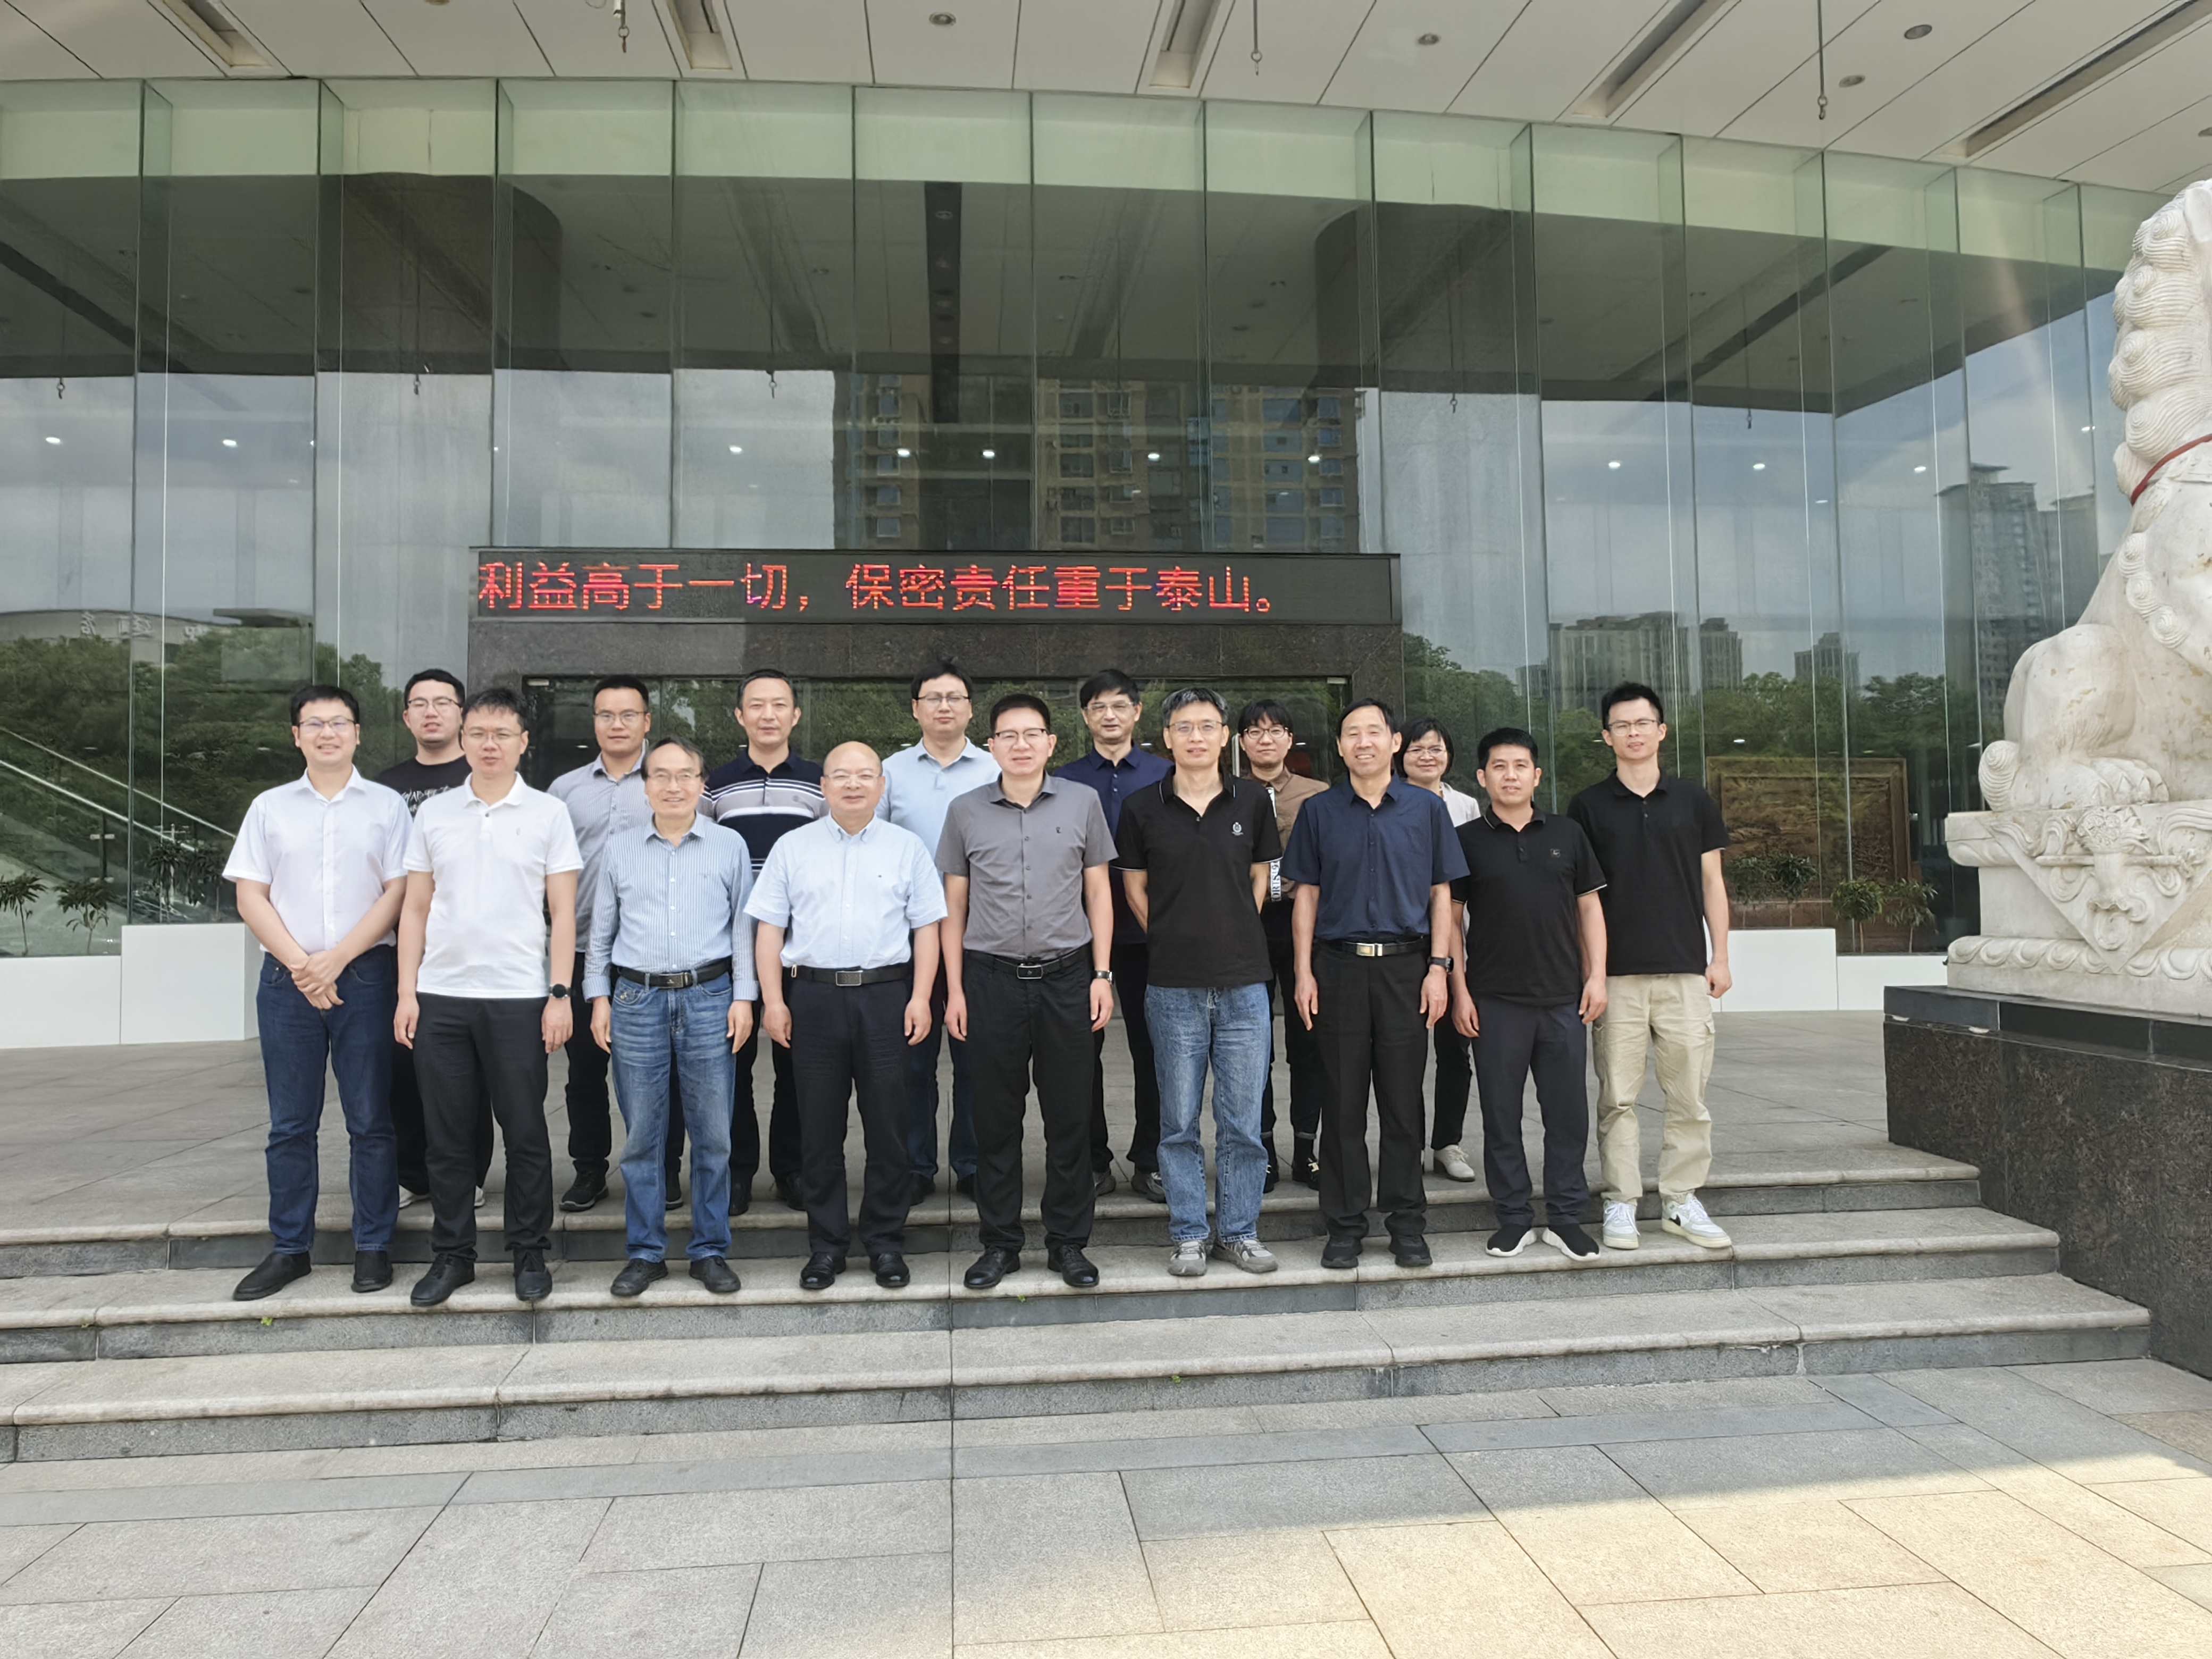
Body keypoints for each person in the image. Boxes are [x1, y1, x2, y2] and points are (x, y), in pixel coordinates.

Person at [395, 686, 582, 1307]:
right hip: (441, 995)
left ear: (523, 743)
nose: (489, 745)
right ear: (462, 739)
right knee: (447, 1136)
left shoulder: (548, 814)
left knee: (525, 1131)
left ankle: (529, 1252)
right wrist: (407, 992)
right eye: (477, 733)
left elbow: (562, 912)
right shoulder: (435, 813)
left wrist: (560, 994)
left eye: (502, 734)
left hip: (518, 997)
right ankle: (453, 1256)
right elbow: (415, 908)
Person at [223, 685, 410, 1301]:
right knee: (290, 1124)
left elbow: (398, 893)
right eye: (314, 723)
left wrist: (338, 958)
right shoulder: (269, 808)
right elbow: (250, 894)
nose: (327, 733)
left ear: (357, 733)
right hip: (288, 982)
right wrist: (304, 964)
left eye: (338, 722)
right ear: (296, 735)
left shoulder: (387, 807)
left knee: (370, 1120)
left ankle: (373, 1245)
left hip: (365, 977)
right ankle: (289, 1249)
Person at [753, 742, 946, 1292]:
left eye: (865, 775)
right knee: (818, 1130)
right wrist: (773, 1001)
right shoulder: (793, 847)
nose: (853, 784)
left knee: (889, 1127)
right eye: (841, 775)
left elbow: (927, 928)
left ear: (882, 786)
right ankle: (827, 1246)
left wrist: (921, 997)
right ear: (824, 786)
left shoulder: (907, 848)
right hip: (812, 999)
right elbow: (769, 930)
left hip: (886, 997)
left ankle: (884, 1242)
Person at [940, 693, 1117, 1291]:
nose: (1020, 745)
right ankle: (1000, 1244)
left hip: (1068, 978)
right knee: (995, 1120)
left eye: (1031, 734)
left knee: (1069, 1117)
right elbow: (953, 906)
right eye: (1008, 735)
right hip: (989, 980)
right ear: (990, 745)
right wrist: (954, 990)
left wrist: (1102, 975)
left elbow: (1099, 893)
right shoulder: (965, 811)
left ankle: (1068, 1243)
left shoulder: (1082, 802)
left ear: (1050, 743)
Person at [1284, 699, 1466, 1270]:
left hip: (1406, 970)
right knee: (1341, 1102)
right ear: (1340, 747)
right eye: (1351, 734)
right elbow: (1306, 896)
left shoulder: (1425, 809)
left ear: (1393, 742)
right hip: (1337, 968)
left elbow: (1442, 894)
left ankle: (1406, 1223)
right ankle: (1344, 1225)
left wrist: (1439, 968)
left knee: (1402, 1102)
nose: (1363, 742)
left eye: (1373, 732)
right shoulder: (1319, 811)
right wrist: (1303, 972)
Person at [1117, 689, 1281, 1277]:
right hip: (1172, 985)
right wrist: (1170, 935)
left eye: (1207, 726)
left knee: (1243, 1124)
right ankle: (1188, 1233)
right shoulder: (1141, 807)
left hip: (1244, 984)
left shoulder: (1253, 800)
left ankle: (1239, 1233)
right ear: (1166, 737)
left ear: (1224, 737)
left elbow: (1260, 878)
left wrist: (1233, 930)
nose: (1195, 737)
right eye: (1183, 727)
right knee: (1178, 1122)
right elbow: (1135, 888)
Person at [585, 736, 756, 1298]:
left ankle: (709, 1250)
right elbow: (601, 931)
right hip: (636, 1000)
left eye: (685, 775)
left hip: (710, 997)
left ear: (702, 784)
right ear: (645, 786)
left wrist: (744, 997)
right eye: (660, 775)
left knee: (713, 1133)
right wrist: (599, 998)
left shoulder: (729, 845)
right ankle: (645, 1252)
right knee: (642, 1137)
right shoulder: (620, 849)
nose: (674, 786)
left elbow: (743, 929)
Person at [1568, 682, 1734, 1252]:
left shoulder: (1693, 800)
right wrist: (1591, 972)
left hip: (1684, 971)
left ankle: (1680, 1199)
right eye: (1622, 725)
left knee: (1688, 1095)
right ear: (1606, 736)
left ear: (1661, 731)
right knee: (1617, 1097)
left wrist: (1720, 956)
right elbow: (1582, 900)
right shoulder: (1587, 807)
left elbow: (1712, 883)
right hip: (1616, 976)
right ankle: (1620, 1200)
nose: (1633, 733)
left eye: (1642, 723)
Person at [1449, 726, 1608, 1263]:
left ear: (1537, 775)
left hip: (1563, 998)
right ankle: (1514, 1218)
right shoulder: (1466, 840)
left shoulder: (1567, 833)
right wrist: (1459, 990)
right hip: (1494, 1001)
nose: (1510, 775)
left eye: (1520, 766)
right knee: (1500, 1115)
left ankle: (1565, 1217)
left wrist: (1597, 977)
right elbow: (1449, 922)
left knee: (1567, 1115)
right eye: (1499, 766)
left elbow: (1589, 910)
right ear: (1482, 777)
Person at [549, 675, 682, 1214]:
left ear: (647, 722)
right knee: (585, 1071)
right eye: (606, 715)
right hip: (585, 949)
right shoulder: (564, 791)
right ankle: (590, 1170)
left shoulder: (672, 781)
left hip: (652, 953)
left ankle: (664, 1169)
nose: (617, 724)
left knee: (661, 1071)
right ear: (595, 722)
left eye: (628, 715)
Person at [705, 667, 825, 1214]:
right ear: (740, 715)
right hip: (729, 945)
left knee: (795, 1067)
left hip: (800, 948)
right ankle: (736, 1172)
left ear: (795, 715)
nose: (768, 714)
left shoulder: (820, 782)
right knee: (730, 1066)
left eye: (779, 704)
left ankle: (791, 1169)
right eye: (756, 705)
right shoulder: (715, 785)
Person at [877, 659, 995, 1205]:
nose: (944, 706)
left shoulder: (995, 768)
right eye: (933, 698)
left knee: (976, 1059)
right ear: (915, 709)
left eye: (954, 697)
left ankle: (972, 1163)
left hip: (982, 935)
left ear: (970, 708)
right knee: (912, 1059)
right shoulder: (890, 772)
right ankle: (915, 1166)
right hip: (907, 940)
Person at [376, 669, 494, 1212]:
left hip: (471, 946)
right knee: (403, 1064)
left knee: (471, 1070)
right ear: (406, 717)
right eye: (419, 704)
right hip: (403, 944)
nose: (431, 712)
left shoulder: (485, 775)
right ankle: (411, 1174)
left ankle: (469, 1173)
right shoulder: (385, 788)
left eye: (443, 702)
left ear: (462, 715)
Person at [1057, 669, 1172, 1202]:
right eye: (1098, 707)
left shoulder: (1166, 773)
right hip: (1079, 936)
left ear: (1137, 712)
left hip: (1153, 934)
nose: (1109, 715)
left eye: (1119, 705)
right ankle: (1092, 1160)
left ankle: (1151, 1159)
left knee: (1156, 1050)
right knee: (1081, 1052)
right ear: (1085, 716)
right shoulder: (1064, 780)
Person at [1237, 700, 1327, 1189]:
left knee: (1308, 1040)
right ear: (1242, 742)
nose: (1265, 740)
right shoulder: (1226, 793)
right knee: (1254, 1046)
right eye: (1255, 731)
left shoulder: (1319, 795)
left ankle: (1308, 1149)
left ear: (1290, 740)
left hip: (1303, 921)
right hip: (1247, 923)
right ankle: (1264, 1150)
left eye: (1275, 731)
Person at [1395, 717, 1481, 1186]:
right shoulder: (1387, 801)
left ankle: (1447, 1142)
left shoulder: (1466, 806)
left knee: (1454, 1049)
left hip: (1456, 943)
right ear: (1400, 755)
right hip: (1406, 943)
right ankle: (1407, 1144)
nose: (1427, 756)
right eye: (1417, 749)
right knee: (1405, 1054)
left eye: (1436, 748)